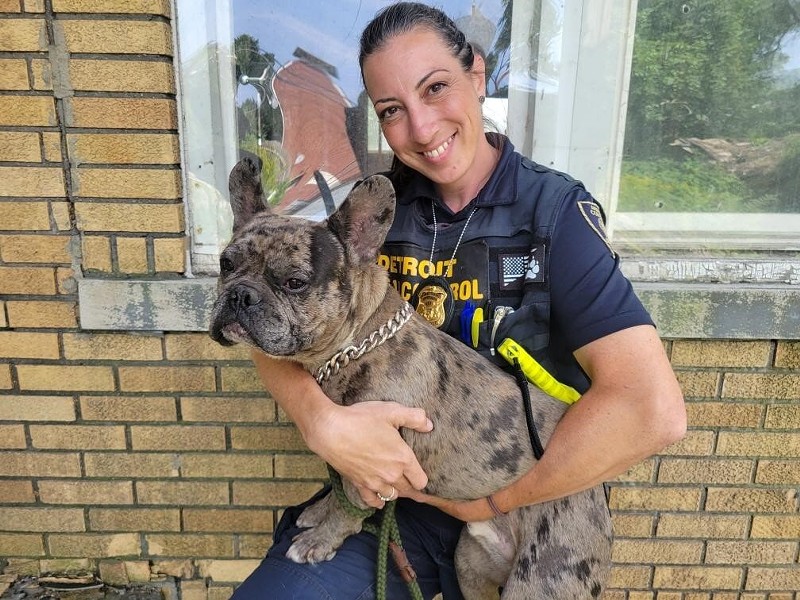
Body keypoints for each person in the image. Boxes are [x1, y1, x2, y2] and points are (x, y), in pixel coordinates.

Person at [231, 2, 686, 598]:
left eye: (436, 88)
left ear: (477, 75)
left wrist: (495, 502)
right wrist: (319, 421)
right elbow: (275, 313)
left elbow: (653, 412)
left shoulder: (553, 214)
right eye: (392, 111)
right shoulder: (369, 209)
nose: (420, 129)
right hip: (397, 504)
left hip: (534, 500)